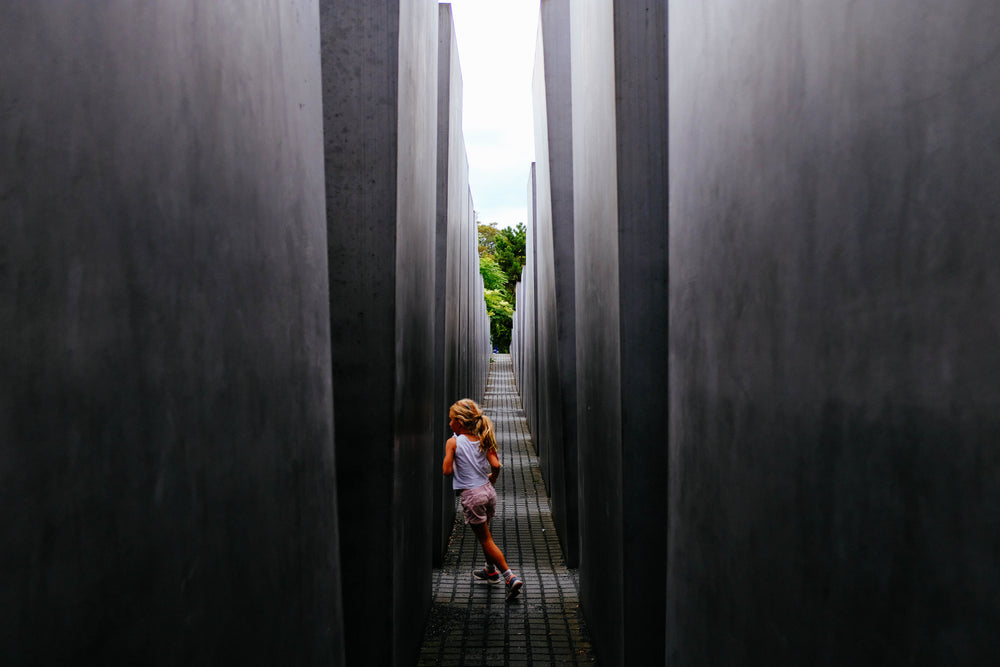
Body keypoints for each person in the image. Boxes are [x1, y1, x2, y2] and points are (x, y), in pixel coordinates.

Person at [442, 398, 523, 601]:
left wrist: (450, 453)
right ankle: (490, 571)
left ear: (459, 422)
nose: (449, 423)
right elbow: (496, 465)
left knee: (486, 540)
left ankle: (509, 576)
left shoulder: (453, 442)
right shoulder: (484, 438)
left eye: (451, 420)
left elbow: (446, 471)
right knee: (485, 536)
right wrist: (491, 480)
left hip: (472, 496)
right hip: (488, 493)